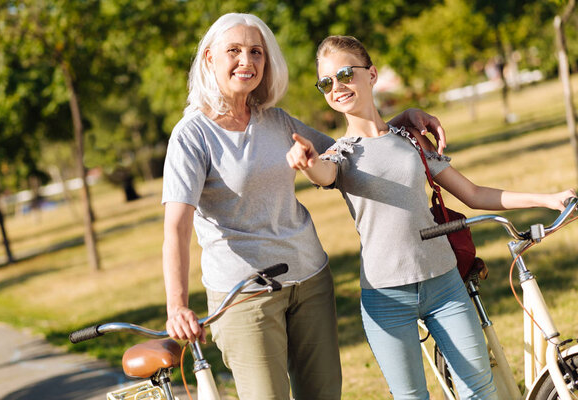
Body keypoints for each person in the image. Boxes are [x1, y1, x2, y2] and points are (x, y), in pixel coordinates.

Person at [161, 13, 448, 400]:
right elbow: (176, 226)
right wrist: (177, 304)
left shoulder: (275, 121)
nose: (247, 61)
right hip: (245, 295)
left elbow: (349, 152)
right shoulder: (192, 135)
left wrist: (401, 120)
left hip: (311, 279)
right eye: (234, 51)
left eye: (256, 52)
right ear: (210, 58)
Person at [286, 35, 576, 400]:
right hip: (385, 297)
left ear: (371, 75)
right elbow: (323, 175)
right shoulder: (340, 154)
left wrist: (548, 199)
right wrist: (308, 163)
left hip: (444, 284)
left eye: (345, 73)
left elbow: (472, 193)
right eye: (326, 82)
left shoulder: (409, 139)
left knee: (481, 390)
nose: (337, 86)